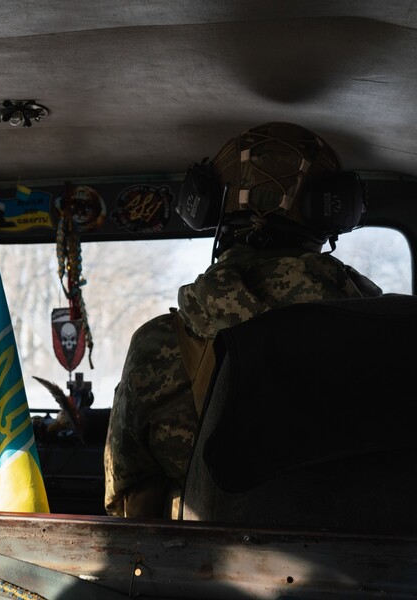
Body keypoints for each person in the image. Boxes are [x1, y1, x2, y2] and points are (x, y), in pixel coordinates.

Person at [104, 122, 382, 519]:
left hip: (203, 557)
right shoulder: (386, 332)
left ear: (208, 206)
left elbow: (130, 501)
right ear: (334, 210)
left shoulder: (157, 344)